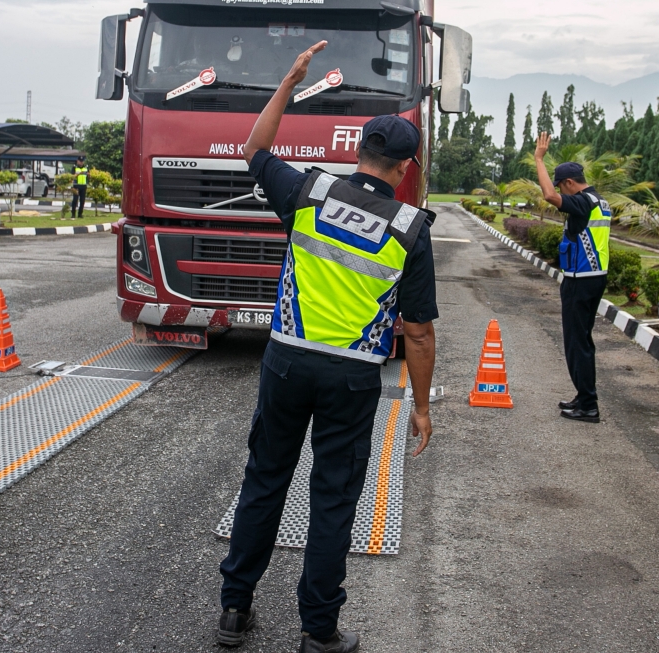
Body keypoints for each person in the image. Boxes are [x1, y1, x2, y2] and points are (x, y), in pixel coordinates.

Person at [217, 41, 438, 653]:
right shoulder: (410, 229)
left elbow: (254, 149)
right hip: (353, 377)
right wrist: (421, 406)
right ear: (404, 168)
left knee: (265, 479)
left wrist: (289, 83)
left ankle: (234, 609)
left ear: (358, 151)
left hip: (287, 362)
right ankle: (319, 631)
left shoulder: (308, 192)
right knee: (333, 500)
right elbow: (419, 332)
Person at [534, 131, 611, 423]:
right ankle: (583, 395)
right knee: (582, 341)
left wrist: (539, 159)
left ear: (569, 182)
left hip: (581, 279)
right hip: (594, 277)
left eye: (561, 186)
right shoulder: (600, 201)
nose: (560, 192)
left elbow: (549, 196)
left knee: (577, 343)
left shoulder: (583, 202)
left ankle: (588, 405)